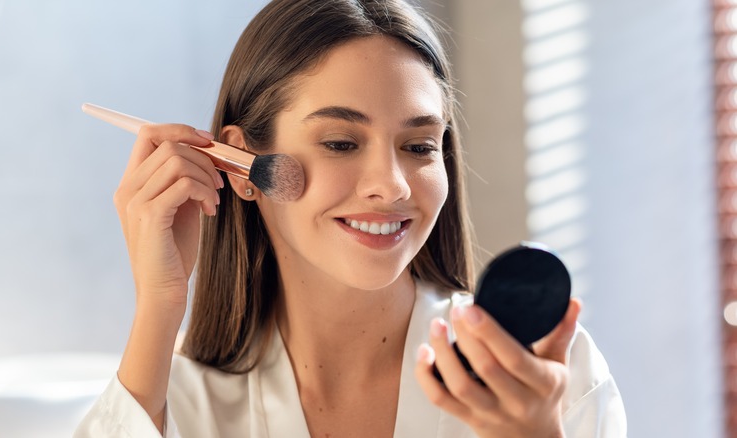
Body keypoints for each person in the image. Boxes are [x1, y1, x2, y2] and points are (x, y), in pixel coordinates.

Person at [75, 0, 627, 436]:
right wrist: (160, 304)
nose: (391, 184)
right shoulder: (175, 403)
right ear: (243, 166)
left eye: (419, 145)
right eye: (341, 142)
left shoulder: (543, 377)